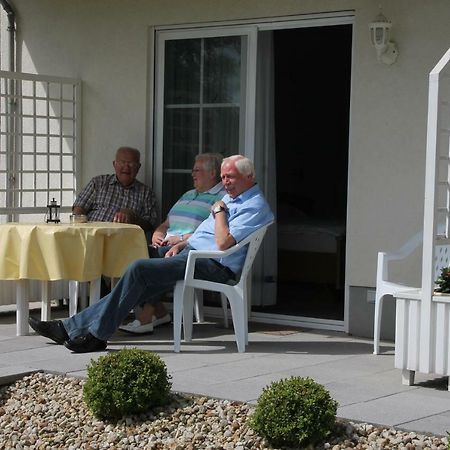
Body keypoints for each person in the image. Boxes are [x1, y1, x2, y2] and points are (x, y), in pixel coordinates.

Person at [28, 155, 274, 353]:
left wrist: (219, 211)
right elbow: (204, 234)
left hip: (215, 265)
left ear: (249, 176)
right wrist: (181, 243)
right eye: (223, 177)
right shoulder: (232, 198)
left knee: (139, 270)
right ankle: (70, 326)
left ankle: (97, 335)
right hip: (191, 254)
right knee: (138, 274)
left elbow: (223, 243)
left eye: (230, 177)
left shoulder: (253, 205)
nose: (226, 182)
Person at [119, 152, 225, 334]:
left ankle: (146, 315)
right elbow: (167, 223)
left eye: (196, 170)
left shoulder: (221, 199)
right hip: (165, 244)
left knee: (158, 264)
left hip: (189, 249)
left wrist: (181, 240)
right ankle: (159, 312)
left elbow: (210, 234)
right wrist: (157, 233)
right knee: (131, 256)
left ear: (212, 173)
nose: (192, 174)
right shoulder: (188, 194)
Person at [72, 146, 158, 233]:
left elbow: (150, 224)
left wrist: (133, 218)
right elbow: (79, 207)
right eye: (122, 162)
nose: (126, 168)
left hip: (123, 240)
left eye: (131, 164)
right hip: (93, 235)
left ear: (138, 167)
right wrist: (80, 229)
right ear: (114, 164)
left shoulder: (146, 193)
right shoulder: (98, 182)